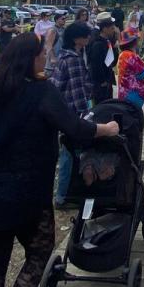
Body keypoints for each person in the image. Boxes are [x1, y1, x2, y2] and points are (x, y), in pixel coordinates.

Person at [0, 32, 119, 287]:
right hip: (29, 192)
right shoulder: (40, 92)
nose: (46, 56)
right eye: (42, 53)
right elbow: (74, 127)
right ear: (30, 59)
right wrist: (106, 129)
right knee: (40, 250)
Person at [49, 21, 94, 207]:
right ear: (77, 39)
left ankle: (67, 193)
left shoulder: (64, 56)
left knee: (69, 153)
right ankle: (63, 196)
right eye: (86, 35)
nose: (88, 38)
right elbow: (78, 92)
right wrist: (86, 116)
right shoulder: (74, 60)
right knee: (70, 155)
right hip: (72, 114)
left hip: (62, 111)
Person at [116, 29, 144, 109]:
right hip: (133, 93)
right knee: (134, 116)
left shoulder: (122, 54)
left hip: (124, 93)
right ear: (134, 41)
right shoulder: (131, 56)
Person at [86, 12, 118, 105]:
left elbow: (112, 62)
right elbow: (96, 65)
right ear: (104, 28)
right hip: (100, 84)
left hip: (107, 80)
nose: (114, 30)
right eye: (112, 28)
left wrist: (115, 49)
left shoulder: (108, 41)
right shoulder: (97, 44)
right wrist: (102, 81)